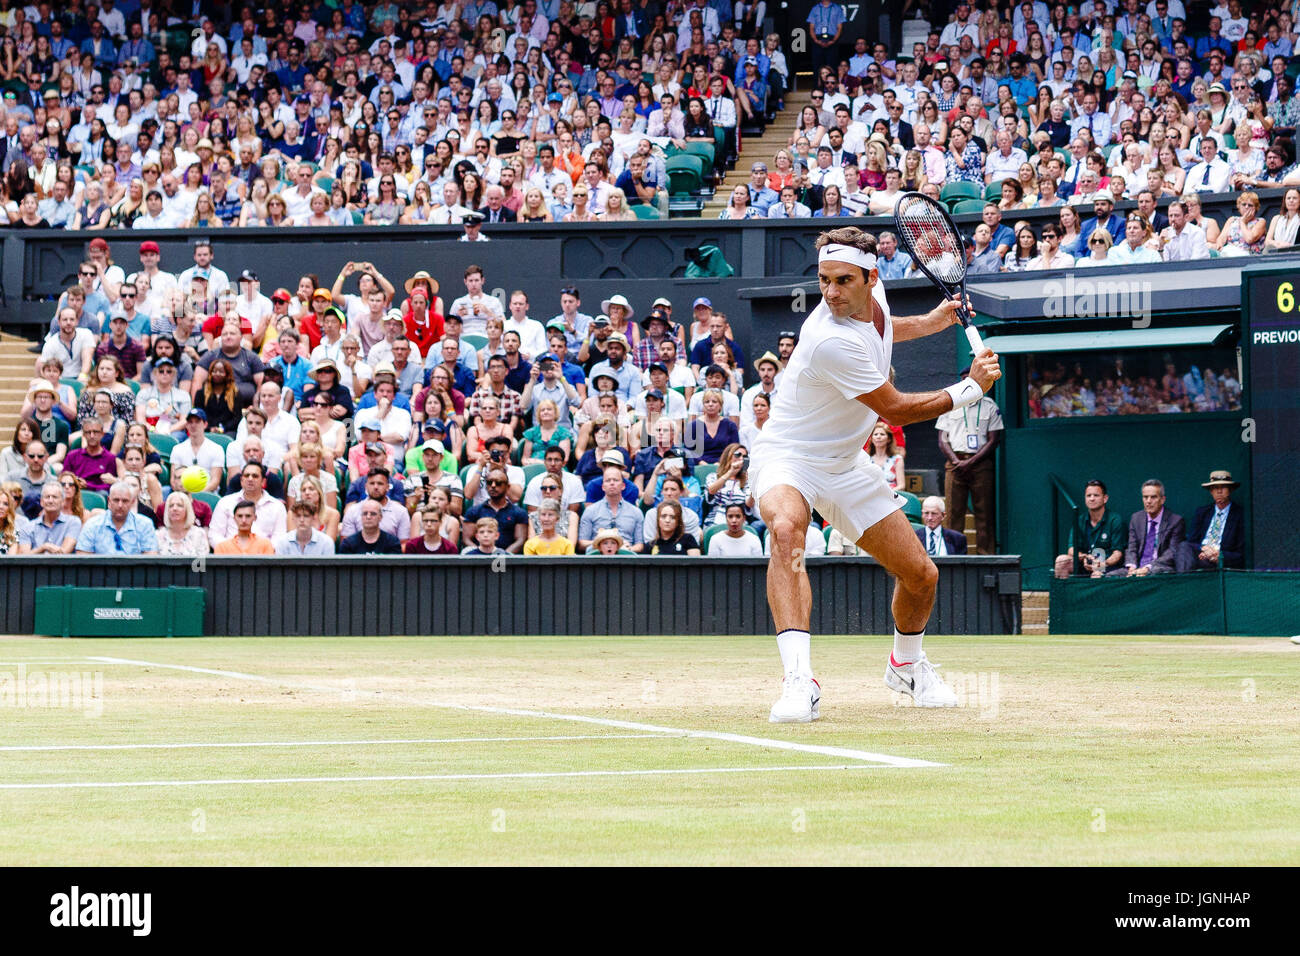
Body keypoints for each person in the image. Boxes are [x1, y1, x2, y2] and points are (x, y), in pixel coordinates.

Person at [750, 226, 1001, 721]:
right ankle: (799, 681)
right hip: (789, 456)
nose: (830, 292)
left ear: (872, 278)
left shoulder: (873, 301)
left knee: (921, 574)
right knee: (785, 532)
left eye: (843, 280)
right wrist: (970, 388)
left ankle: (906, 666)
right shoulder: (827, 339)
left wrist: (930, 322)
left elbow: (883, 330)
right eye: (823, 280)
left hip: (845, 463)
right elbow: (897, 410)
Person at [936, 365, 1003, 554]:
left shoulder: (989, 406)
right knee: (953, 513)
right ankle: (952, 555)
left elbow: (993, 439)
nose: (968, 382)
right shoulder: (951, 405)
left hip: (980, 464)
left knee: (984, 513)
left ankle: (985, 556)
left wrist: (971, 462)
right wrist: (956, 462)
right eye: (964, 379)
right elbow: (942, 439)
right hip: (955, 463)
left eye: (971, 379)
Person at [1053, 479, 1126, 578]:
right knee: (1061, 561)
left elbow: (1118, 554)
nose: (1092, 499)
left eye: (1096, 495)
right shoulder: (1079, 520)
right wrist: (1085, 557)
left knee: (1097, 574)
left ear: (1105, 498)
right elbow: (1071, 550)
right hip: (1084, 563)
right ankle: (1064, 593)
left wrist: (1103, 563)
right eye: (1088, 495)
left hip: (1107, 567)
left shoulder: (1115, 520)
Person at [1115, 479, 1187, 576]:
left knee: (1155, 573)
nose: (1148, 501)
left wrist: (1148, 567)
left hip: (1159, 568)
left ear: (1162, 499)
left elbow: (1172, 552)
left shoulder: (1175, 521)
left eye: (1153, 497)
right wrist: (1132, 567)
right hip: (1136, 568)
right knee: (1109, 577)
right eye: (1145, 497)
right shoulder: (1136, 518)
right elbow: (1131, 547)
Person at [74, 480, 159, 554]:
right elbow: (83, 559)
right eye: (116, 500)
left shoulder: (145, 525)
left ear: (132, 502)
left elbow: (150, 560)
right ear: (109, 501)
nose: (120, 505)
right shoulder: (92, 525)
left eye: (125, 501)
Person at [1183, 470, 1245, 570]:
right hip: (1200, 554)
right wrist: (1203, 549)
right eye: (1215, 488)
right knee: (1183, 546)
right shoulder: (1202, 512)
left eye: (1223, 487)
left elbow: (1240, 553)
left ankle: (1183, 583)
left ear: (1230, 490)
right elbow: (1191, 541)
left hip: (1219, 559)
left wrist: (1217, 555)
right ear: (1211, 491)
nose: (1219, 491)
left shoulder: (1239, 515)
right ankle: (1184, 582)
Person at [16, 481, 80, 554]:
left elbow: (64, 553)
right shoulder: (27, 528)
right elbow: (24, 559)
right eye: (47, 497)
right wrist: (44, 547)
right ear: (41, 502)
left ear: (62, 501)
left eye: (55, 497)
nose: (50, 501)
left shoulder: (73, 522)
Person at [338, 498, 402, 554]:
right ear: (361, 517)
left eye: (373, 514)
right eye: (365, 513)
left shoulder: (392, 543)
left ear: (380, 517)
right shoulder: (348, 544)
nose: (368, 517)